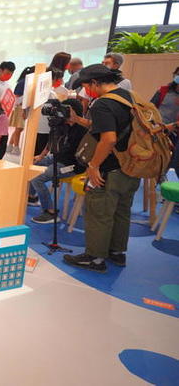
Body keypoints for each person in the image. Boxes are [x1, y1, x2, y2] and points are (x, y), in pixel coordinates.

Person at [64, 65, 139, 272]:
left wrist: (93, 165)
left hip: (109, 169)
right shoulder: (129, 97)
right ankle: (117, 252)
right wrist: (78, 120)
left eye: (87, 86)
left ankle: (95, 259)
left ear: (95, 83)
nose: (87, 91)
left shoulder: (103, 104)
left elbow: (109, 139)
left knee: (99, 213)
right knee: (122, 212)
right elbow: (110, 127)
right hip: (131, 166)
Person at [28, 98, 87, 223]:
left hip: (72, 165)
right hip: (58, 157)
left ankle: (50, 212)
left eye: (65, 109)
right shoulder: (62, 124)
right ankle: (32, 197)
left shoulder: (83, 129)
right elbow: (52, 140)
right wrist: (41, 156)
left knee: (37, 179)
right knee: (32, 163)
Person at [150, 67, 179, 176]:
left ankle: (162, 177)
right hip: (157, 129)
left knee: (168, 161)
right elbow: (150, 108)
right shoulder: (163, 90)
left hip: (174, 134)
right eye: (177, 74)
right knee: (151, 157)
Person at [35, 68, 68, 156]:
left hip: (35, 127)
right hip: (45, 128)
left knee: (34, 152)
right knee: (40, 154)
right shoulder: (51, 94)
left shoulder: (36, 91)